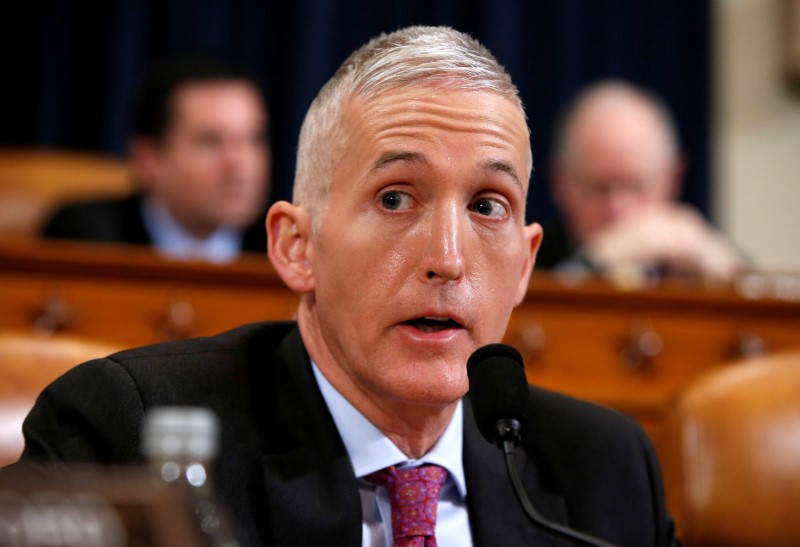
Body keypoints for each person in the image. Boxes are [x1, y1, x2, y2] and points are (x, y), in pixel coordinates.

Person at [7, 28, 679, 546]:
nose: (448, 259)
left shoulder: (607, 472)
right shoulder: (125, 428)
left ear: (527, 264)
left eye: (486, 205)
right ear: (295, 247)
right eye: (395, 198)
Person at [42, 56, 271, 263]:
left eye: (253, 140)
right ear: (149, 158)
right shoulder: (87, 240)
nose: (239, 164)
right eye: (210, 142)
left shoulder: (287, 249)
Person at [537, 80, 742, 281]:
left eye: (636, 186)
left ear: (673, 179)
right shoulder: (529, 261)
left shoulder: (697, 255)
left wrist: (729, 271)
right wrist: (597, 258)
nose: (617, 208)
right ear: (560, 183)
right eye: (599, 188)